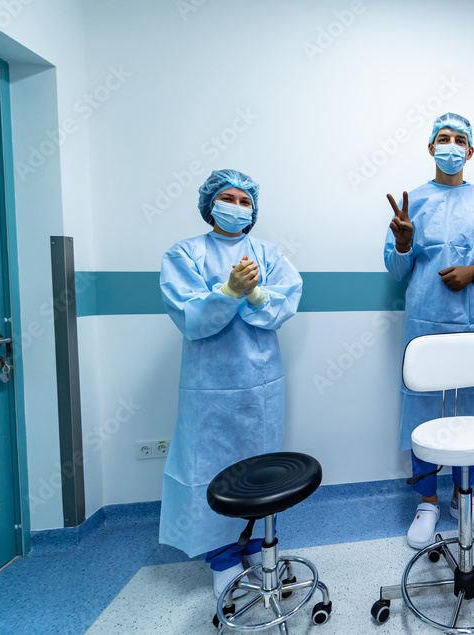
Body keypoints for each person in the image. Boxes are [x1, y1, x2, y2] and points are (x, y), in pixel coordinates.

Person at [158, 169, 303, 610]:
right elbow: (192, 319)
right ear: (209, 205)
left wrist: (256, 295)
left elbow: (283, 306)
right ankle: (222, 560)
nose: (236, 206)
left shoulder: (268, 254)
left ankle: (259, 548)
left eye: (244, 200)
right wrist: (228, 292)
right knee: (211, 468)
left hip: (261, 382)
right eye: (228, 197)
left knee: (260, 468)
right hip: (209, 386)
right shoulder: (184, 254)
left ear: (253, 209)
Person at [384, 113, 474, 549]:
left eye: (460, 139)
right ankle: (426, 502)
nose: (451, 145)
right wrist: (404, 243)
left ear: (471, 151)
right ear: (430, 148)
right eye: (443, 138)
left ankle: (465, 498)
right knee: (421, 409)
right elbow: (396, 269)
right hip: (425, 318)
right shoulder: (412, 203)